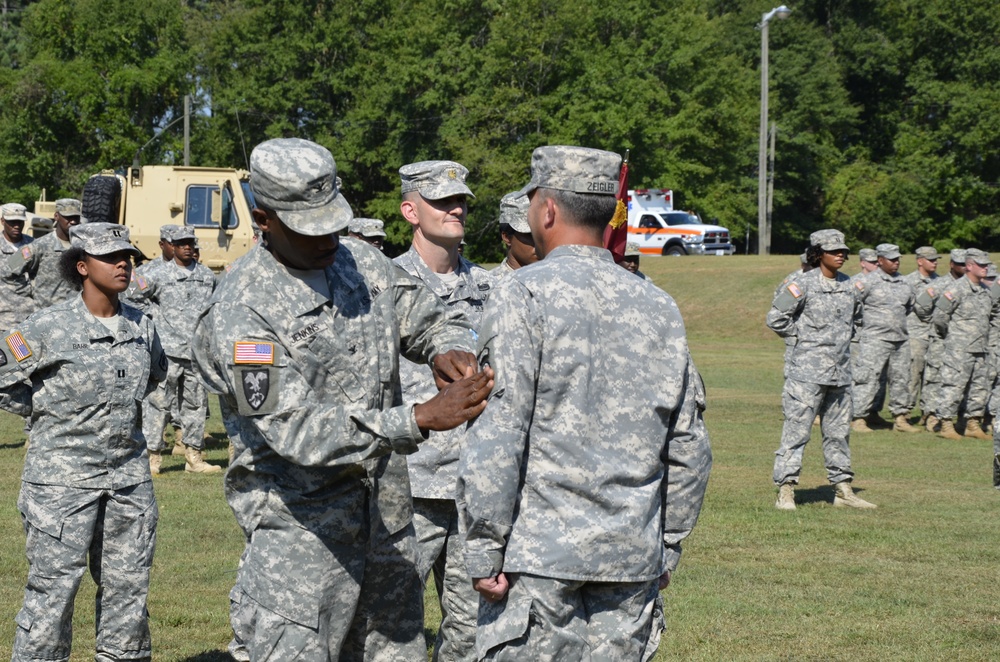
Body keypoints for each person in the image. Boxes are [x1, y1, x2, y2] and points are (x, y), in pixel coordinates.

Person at [191, 137, 494, 661]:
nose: (328, 235)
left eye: (334, 218)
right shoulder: (243, 312)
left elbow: (424, 314)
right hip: (301, 544)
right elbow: (293, 429)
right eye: (310, 226)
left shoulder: (361, 262)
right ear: (263, 219)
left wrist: (446, 347)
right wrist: (418, 418)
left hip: (387, 527)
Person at [458, 145, 711, 660]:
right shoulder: (658, 305)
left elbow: (499, 432)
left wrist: (484, 546)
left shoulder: (521, 293)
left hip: (538, 561)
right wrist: (669, 543)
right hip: (630, 556)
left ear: (546, 210)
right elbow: (689, 443)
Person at [0, 222, 167, 662]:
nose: (123, 265)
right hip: (61, 483)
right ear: (81, 266)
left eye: (127, 257)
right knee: (53, 592)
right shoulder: (45, 326)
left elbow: (154, 375)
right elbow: (3, 375)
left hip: (129, 483)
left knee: (128, 592)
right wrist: (43, 408)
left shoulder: (142, 327)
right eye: (111, 257)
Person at [394, 159, 493, 662]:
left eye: (461, 202)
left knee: (472, 626)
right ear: (411, 210)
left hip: (475, 484)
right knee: (391, 624)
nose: (456, 208)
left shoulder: (495, 288)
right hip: (409, 482)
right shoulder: (382, 286)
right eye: (441, 201)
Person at [766, 229, 876, 510]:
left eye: (843, 251)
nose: (841, 255)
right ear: (818, 254)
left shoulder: (850, 285)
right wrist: (801, 338)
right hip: (806, 373)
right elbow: (776, 318)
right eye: (833, 251)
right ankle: (786, 490)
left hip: (839, 373)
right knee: (796, 432)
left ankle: (842, 490)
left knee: (839, 433)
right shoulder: (801, 284)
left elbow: (858, 320)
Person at [127, 226, 220, 474]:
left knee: (195, 406)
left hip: (195, 352)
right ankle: (152, 458)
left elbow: (215, 307)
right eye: (182, 243)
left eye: (191, 243)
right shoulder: (155, 273)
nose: (188, 247)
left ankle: (193, 457)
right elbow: (128, 296)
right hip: (165, 351)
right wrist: (150, 318)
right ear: (172, 246)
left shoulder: (206, 275)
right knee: (157, 405)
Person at [850, 243, 918, 433]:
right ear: (880, 261)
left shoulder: (905, 283)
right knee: (868, 378)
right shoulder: (867, 282)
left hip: (900, 339)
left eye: (898, 259)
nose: (896, 263)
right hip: (875, 338)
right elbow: (852, 305)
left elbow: (910, 307)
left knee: (901, 378)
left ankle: (900, 418)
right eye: (892, 259)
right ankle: (858, 418)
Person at [930, 248, 993, 440]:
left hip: (980, 348)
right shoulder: (956, 289)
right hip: (959, 348)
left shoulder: (985, 291)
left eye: (986, 264)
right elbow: (940, 317)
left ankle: (972, 424)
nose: (985, 268)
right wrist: (953, 336)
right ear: (969, 266)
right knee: (953, 386)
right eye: (981, 265)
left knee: (979, 388)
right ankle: (946, 425)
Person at [916, 248, 967, 432]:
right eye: (959, 264)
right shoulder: (940, 284)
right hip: (941, 339)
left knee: (958, 379)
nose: (963, 267)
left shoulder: (971, 286)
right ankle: (931, 415)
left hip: (963, 343)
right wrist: (938, 326)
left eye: (965, 263)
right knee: (935, 376)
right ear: (952, 264)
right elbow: (921, 305)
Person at [5, 198, 83, 309]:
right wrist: (27, 293)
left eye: (76, 217)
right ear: (56, 216)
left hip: (76, 314)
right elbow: (11, 264)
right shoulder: (38, 245)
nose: (73, 221)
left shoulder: (83, 246)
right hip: (46, 314)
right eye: (68, 217)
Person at [904, 246, 940, 424]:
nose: (935, 262)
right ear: (920, 261)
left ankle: (929, 412)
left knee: (933, 374)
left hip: (934, 335)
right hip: (915, 334)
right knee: (913, 373)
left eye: (936, 259)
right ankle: (906, 411)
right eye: (931, 259)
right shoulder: (908, 281)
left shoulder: (940, 281)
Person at [0, 203, 36, 333]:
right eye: (12, 222)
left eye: (20, 222)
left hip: (29, 318)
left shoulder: (33, 244)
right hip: (4, 319)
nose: (17, 226)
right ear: (2, 221)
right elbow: (8, 268)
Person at [491, 191, 537, 278]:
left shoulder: (557, 280)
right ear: (506, 237)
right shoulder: (490, 285)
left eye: (540, 234)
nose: (538, 242)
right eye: (530, 235)